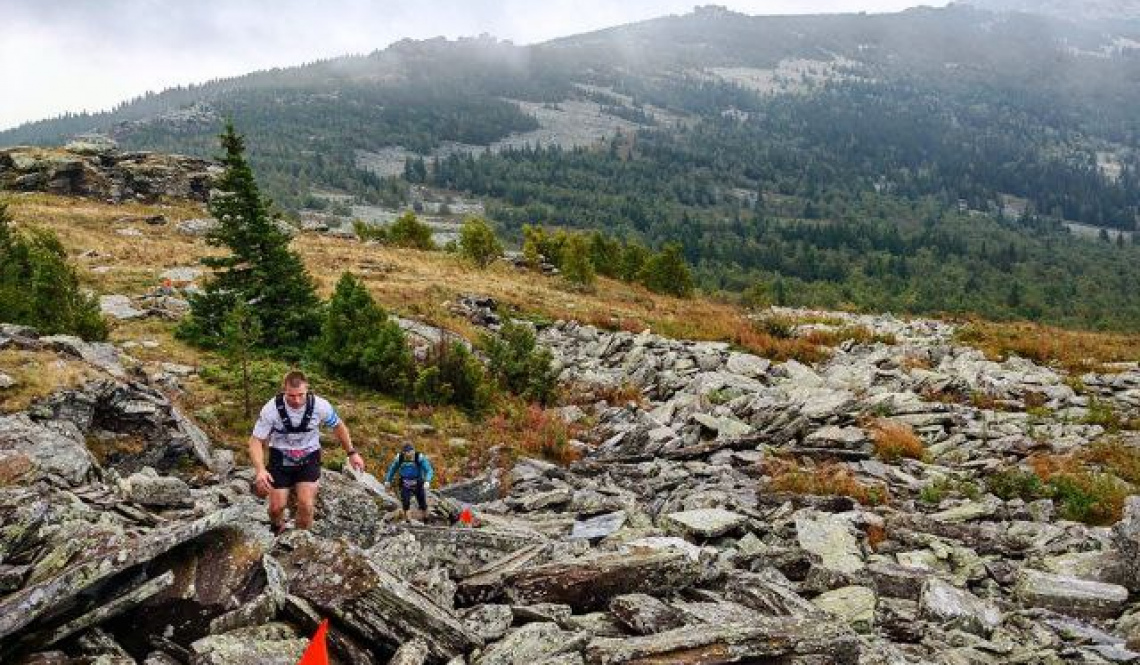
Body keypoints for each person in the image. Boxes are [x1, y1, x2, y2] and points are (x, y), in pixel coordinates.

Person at [249, 370, 363, 534]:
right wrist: (260, 469)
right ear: (284, 391)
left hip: (309, 458)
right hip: (280, 459)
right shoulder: (271, 409)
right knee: (276, 508)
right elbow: (255, 441)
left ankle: (300, 541)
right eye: (291, 396)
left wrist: (351, 453)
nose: (296, 400)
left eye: (301, 395)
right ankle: (276, 526)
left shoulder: (320, 406)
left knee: (306, 504)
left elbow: (339, 426)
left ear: (307, 389)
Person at [384, 442, 434, 521]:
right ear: (403, 452)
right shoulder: (399, 458)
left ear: (413, 451)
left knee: (422, 503)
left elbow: (429, 470)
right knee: (405, 503)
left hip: (418, 482)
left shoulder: (419, 458)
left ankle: (426, 519)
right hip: (405, 483)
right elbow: (392, 470)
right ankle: (408, 522)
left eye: (410, 451)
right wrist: (388, 480)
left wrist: (427, 481)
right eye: (406, 452)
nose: (408, 454)